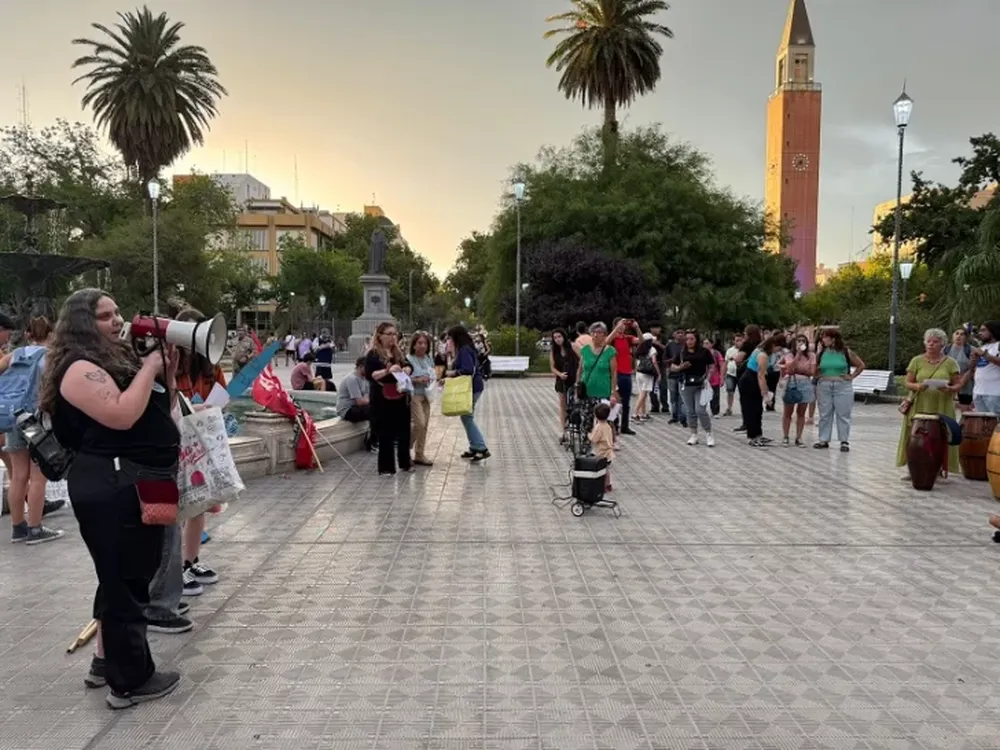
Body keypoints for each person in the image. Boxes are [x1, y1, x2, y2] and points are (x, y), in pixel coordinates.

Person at [39, 288, 181, 708]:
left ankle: (108, 664)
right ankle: (131, 681)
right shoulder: (78, 368)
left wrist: (164, 372)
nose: (117, 320)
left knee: (125, 577)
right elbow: (120, 414)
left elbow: (159, 408)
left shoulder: (109, 361)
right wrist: (150, 365)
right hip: (113, 486)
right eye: (105, 315)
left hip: (135, 481)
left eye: (117, 311)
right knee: (126, 584)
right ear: (83, 322)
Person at [172, 309, 224, 600]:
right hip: (175, 439)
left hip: (200, 439)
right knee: (176, 505)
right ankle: (175, 567)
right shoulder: (168, 363)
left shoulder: (210, 365)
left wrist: (210, 409)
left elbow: (221, 396)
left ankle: (191, 560)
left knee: (199, 502)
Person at [3, 316, 63, 543]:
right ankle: (35, 529)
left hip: (14, 416)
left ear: (27, 335)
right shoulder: (51, 358)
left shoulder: (14, 355)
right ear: (51, 335)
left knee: (18, 476)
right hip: (37, 421)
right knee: (38, 476)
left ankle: (17, 527)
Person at [896, 328, 961, 475]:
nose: (931, 344)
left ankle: (938, 467)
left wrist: (950, 389)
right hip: (920, 402)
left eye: (935, 342)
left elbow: (958, 384)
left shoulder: (950, 363)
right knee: (916, 434)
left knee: (940, 434)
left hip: (942, 403)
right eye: (928, 341)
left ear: (942, 344)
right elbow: (907, 382)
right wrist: (918, 386)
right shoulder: (916, 361)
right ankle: (913, 465)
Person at [365, 322, 413, 474]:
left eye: (395, 334)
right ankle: (386, 468)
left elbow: (409, 365)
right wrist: (388, 370)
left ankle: (405, 463)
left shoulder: (398, 352)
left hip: (400, 394)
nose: (393, 337)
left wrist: (406, 369)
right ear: (380, 336)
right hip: (382, 397)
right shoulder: (373, 354)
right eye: (389, 334)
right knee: (385, 433)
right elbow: (370, 374)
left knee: (404, 430)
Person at [814, 329, 865, 452]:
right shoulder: (822, 353)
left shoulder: (845, 352)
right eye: (823, 338)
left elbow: (861, 365)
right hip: (825, 384)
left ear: (833, 339)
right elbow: (816, 369)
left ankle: (844, 440)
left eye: (826, 338)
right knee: (825, 413)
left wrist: (851, 376)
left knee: (843, 413)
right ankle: (824, 439)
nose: (823, 340)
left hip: (842, 385)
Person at [445, 324, 490, 462]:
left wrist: (452, 373)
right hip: (474, 386)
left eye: (450, 338)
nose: (449, 341)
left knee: (467, 417)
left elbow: (467, 369)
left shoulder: (464, 350)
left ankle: (481, 447)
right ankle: (474, 446)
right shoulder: (467, 348)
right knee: (466, 417)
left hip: (471, 387)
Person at [670, 329, 716, 447]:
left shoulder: (704, 352)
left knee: (700, 409)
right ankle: (693, 434)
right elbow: (672, 366)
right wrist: (680, 367)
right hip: (685, 384)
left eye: (692, 339)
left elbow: (711, 365)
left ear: (696, 340)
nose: (689, 341)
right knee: (690, 411)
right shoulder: (681, 352)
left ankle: (709, 433)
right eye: (687, 339)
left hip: (700, 383)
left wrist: (708, 378)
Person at [739, 332, 785, 448]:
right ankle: (753, 436)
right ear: (773, 345)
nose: (777, 351)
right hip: (750, 379)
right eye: (778, 348)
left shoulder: (759, 351)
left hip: (752, 378)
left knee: (758, 409)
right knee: (752, 408)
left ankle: (758, 434)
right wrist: (765, 393)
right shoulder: (763, 355)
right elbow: (761, 375)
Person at [779, 333, 816, 447]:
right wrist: (798, 355)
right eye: (798, 341)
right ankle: (785, 436)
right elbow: (790, 369)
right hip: (791, 382)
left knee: (801, 412)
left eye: (803, 341)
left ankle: (799, 437)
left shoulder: (811, 355)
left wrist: (799, 370)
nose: (801, 343)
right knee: (788, 412)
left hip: (805, 383)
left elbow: (812, 371)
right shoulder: (789, 355)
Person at [407, 331, 436, 467]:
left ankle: (420, 454)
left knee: (425, 426)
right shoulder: (409, 359)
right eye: (420, 343)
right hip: (415, 395)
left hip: (427, 395)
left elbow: (433, 373)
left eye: (425, 343)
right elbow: (404, 379)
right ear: (414, 345)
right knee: (419, 424)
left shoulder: (428, 358)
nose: (423, 346)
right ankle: (405, 448)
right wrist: (418, 379)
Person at [608, 318, 640, 435]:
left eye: (624, 325)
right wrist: (616, 328)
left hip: (627, 373)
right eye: (620, 325)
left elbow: (640, 341)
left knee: (626, 403)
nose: (623, 327)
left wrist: (637, 328)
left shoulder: (627, 338)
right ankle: (614, 425)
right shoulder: (612, 339)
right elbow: (606, 342)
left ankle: (625, 426)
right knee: (614, 401)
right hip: (616, 373)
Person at [549, 328, 578, 435]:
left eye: (559, 336)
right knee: (563, 404)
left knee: (576, 402)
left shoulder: (572, 346)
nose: (557, 339)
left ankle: (577, 425)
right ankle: (563, 429)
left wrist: (579, 374)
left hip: (574, 378)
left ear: (564, 337)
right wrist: (559, 374)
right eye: (555, 338)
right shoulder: (554, 351)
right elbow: (552, 367)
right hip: (561, 380)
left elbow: (583, 359)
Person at [971, 321, 1000, 414]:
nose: (980, 333)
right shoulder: (983, 347)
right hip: (978, 392)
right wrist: (973, 359)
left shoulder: (998, 345)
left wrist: (984, 355)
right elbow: (972, 368)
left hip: (995, 393)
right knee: (982, 424)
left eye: (983, 330)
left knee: (996, 425)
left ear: (993, 331)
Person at [632, 332, 659, 423]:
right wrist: (658, 373)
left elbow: (636, 362)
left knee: (642, 394)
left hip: (639, 373)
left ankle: (642, 413)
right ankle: (635, 414)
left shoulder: (639, 349)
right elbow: (654, 362)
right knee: (643, 394)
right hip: (647, 374)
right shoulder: (652, 349)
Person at [588, 402, 614, 492]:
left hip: (601, 452)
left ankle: (603, 485)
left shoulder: (598, 427)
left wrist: (589, 435)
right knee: (606, 469)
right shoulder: (608, 426)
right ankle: (608, 484)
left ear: (595, 415)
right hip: (609, 452)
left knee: (601, 469)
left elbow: (594, 439)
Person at [337, 357, 371, 423]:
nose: (370, 370)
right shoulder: (352, 379)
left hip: (357, 407)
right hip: (347, 410)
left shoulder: (365, 378)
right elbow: (360, 402)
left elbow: (367, 397)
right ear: (361, 366)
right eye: (368, 368)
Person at [723, 334, 744, 417]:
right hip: (730, 374)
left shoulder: (744, 351)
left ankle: (744, 408)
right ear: (733, 341)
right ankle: (729, 408)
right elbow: (725, 362)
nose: (738, 342)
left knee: (743, 392)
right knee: (730, 391)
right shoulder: (729, 350)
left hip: (742, 374)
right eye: (736, 340)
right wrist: (723, 374)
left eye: (740, 340)